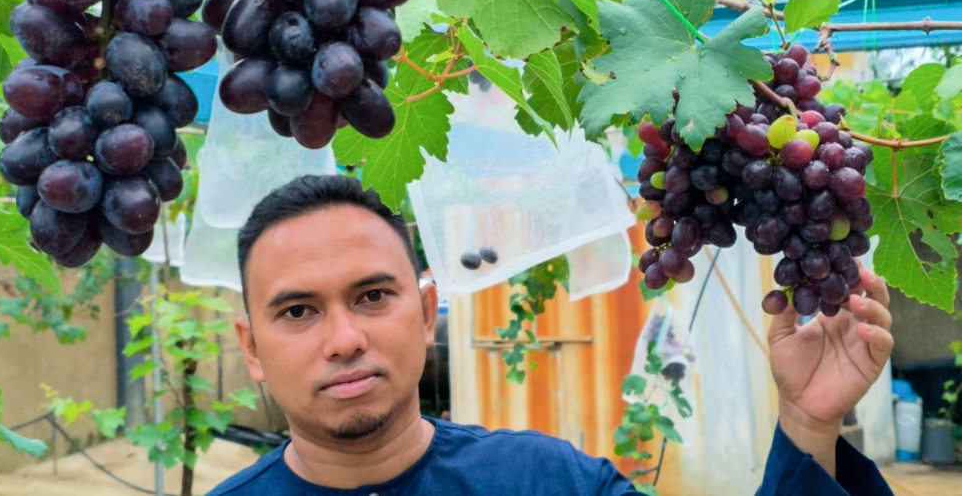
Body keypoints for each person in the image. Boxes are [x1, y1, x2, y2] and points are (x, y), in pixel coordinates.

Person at [208, 175, 896, 495]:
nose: (344, 338)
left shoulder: (551, 483)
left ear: (425, 313)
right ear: (251, 348)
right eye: (298, 312)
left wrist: (807, 425)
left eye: (373, 295)